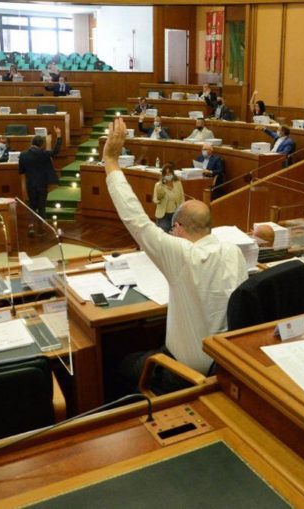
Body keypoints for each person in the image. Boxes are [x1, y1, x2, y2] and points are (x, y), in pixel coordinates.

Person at [103, 117, 248, 394]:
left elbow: (136, 219)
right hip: (223, 366)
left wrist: (111, 162)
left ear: (178, 228)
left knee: (118, 363)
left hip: (183, 374)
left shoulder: (180, 254)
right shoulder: (233, 252)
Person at [18, 127, 62, 235]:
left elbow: (21, 171)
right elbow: (55, 151)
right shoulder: (44, 154)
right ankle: (41, 229)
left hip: (30, 184)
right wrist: (59, 136)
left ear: (31, 143)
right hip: (42, 184)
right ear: (41, 144)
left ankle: (31, 227)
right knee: (42, 206)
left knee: (32, 206)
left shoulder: (23, 155)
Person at [152, 164, 184, 232]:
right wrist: (159, 198)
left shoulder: (178, 183)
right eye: (166, 173)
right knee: (164, 233)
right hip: (163, 215)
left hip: (176, 214)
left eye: (169, 173)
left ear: (172, 173)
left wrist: (182, 211)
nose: (168, 175)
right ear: (163, 175)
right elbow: (155, 200)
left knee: (176, 234)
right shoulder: (159, 185)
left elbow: (182, 198)